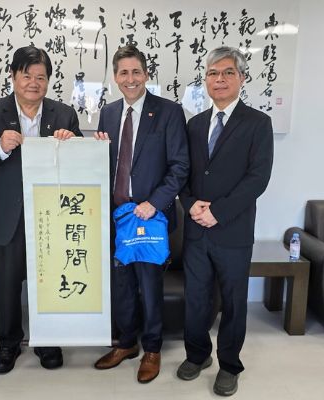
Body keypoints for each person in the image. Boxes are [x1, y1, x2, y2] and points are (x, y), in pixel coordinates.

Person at [0, 46, 81, 374]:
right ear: (14, 76)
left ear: (48, 81)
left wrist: (70, 143)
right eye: (26, 75)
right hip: (5, 214)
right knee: (6, 281)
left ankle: (47, 341)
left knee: (48, 280)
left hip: (51, 215)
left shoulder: (63, 114)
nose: (33, 82)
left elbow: (77, 165)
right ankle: (8, 344)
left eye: (40, 77)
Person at [175, 46, 274, 396]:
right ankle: (197, 354)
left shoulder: (259, 123)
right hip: (197, 231)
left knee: (233, 301)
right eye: (213, 73)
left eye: (227, 72)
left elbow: (257, 178)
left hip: (233, 230)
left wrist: (219, 211)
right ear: (205, 80)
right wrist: (189, 205)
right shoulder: (195, 123)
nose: (220, 79)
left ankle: (230, 364)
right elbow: (183, 172)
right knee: (197, 298)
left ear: (241, 78)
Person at [92, 45, 189, 384]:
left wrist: (156, 202)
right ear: (115, 77)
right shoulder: (107, 113)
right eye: (123, 73)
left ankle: (152, 348)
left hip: (150, 218)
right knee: (121, 285)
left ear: (146, 74)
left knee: (149, 287)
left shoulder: (168, 112)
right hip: (118, 218)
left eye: (136, 72)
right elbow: (106, 163)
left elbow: (180, 166)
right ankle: (126, 343)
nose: (129, 79)